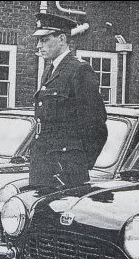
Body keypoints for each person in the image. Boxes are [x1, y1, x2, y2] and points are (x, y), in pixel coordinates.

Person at [30, 13, 108, 188]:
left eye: (44, 39)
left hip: (66, 169)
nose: (38, 45)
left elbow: (96, 124)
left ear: (62, 39)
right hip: (43, 164)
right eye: (39, 40)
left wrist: (78, 162)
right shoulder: (49, 70)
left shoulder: (79, 70)